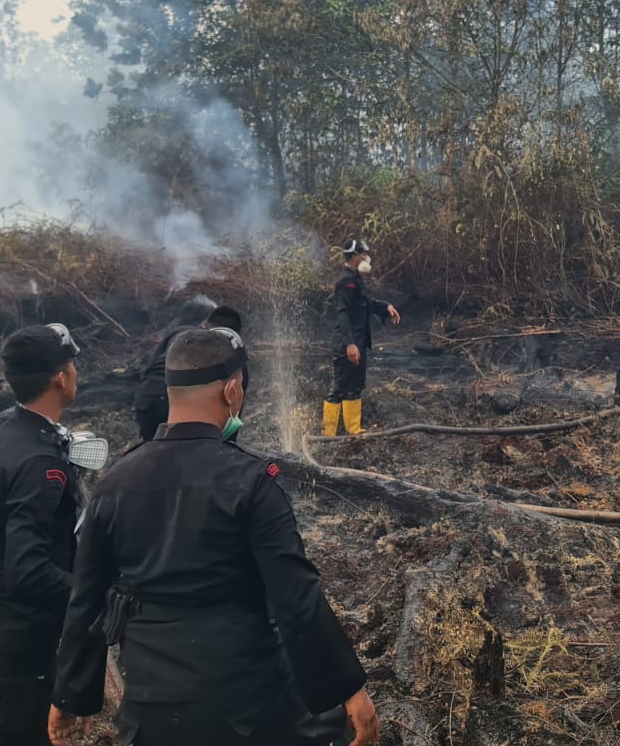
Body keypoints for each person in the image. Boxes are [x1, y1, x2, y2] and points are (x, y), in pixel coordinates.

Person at [49, 328, 380, 746]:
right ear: (230, 391)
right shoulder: (254, 483)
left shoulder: (114, 483)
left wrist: (70, 694)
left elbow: (86, 600)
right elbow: (296, 596)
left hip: (151, 709)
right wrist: (348, 687)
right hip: (250, 703)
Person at [0, 324, 84, 746]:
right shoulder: (38, 462)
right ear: (60, 377)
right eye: (72, 364)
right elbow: (27, 573)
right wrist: (91, 595)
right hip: (13, 645)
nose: (74, 372)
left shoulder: (11, 432)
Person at [324, 240, 399, 437]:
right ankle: (328, 435)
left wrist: (386, 306)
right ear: (355, 257)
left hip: (359, 342)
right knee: (339, 388)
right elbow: (342, 314)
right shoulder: (345, 282)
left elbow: (366, 303)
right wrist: (350, 344)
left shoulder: (356, 279)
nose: (367, 257)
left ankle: (353, 430)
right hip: (348, 344)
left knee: (356, 385)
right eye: (364, 254)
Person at [133, 294, 216, 442]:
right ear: (204, 323)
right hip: (167, 399)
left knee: (151, 449)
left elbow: (150, 365)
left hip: (145, 398)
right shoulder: (200, 337)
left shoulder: (173, 333)